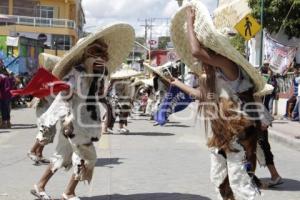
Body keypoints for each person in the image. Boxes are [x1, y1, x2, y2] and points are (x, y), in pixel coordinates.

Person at [170, 1, 274, 199]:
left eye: (207, 51)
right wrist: (177, 83)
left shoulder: (228, 64)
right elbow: (201, 95)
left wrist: (190, 24)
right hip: (223, 134)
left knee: (239, 180)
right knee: (219, 178)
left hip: (240, 130)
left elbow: (195, 52)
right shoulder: (213, 74)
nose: (203, 58)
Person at [30, 23, 135, 200]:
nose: (101, 57)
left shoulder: (99, 73)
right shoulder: (77, 71)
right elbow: (65, 92)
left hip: (84, 121)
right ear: (86, 53)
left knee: (62, 156)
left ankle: (40, 186)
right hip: (73, 122)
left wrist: (99, 84)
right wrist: (74, 90)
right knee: (89, 157)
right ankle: (68, 193)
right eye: (96, 52)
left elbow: (98, 95)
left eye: (103, 53)